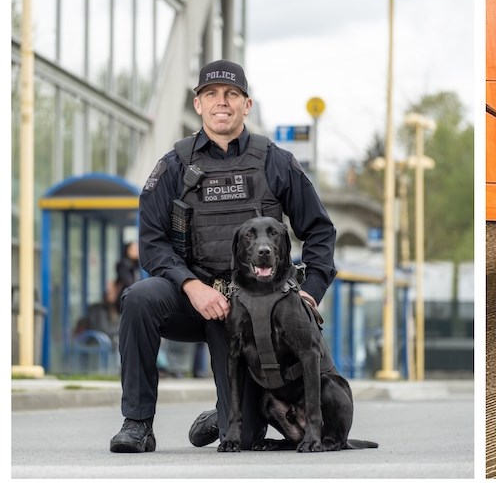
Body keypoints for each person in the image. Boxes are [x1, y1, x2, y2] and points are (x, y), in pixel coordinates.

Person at [109, 60, 337, 453]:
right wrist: (192, 286)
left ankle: (223, 414)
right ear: (198, 104)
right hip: (191, 296)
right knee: (140, 298)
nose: (222, 102)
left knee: (245, 437)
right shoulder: (175, 164)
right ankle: (137, 423)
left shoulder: (274, 161)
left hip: (251, 310)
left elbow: (319, 230)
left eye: (232, 94)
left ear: (246, 105)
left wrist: (311, 291)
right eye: (211, 94)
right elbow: (152, 241)